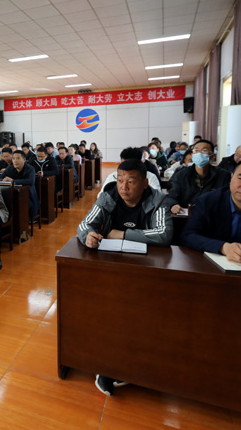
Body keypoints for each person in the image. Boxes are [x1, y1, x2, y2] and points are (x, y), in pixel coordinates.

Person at [78, 158, 173, 397]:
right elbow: (85, 224)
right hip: (111, 268)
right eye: (120, 180)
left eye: (131, 181)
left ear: (144, 183)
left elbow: (163, 235)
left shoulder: (158, 200)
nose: (123, 186)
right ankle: (105, 363)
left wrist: (123, 234)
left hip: (146, 269)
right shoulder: (108, 196)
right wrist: (88, 235)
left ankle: (133, 361)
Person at [166, 140, 231, 214]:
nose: (199, 154)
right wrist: (173, 205)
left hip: (213, 216)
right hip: (186, 216)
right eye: (196, 150)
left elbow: (227, 199)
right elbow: (171, 196)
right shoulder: (181, 175)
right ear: (192, 155)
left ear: (212, 156)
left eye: (204, 150)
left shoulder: (223, 175)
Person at [2, 150, 39, 223]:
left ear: (24, 159)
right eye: (13, 158)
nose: (15, 161)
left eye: (18, 158)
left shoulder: (30, 169)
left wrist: (13, 181)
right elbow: (0, 178)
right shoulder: (9, 168)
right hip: (12, 195)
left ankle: (21, 223)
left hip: (27, 196)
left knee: (20, 206)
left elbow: (30, 181)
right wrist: (4, 180)